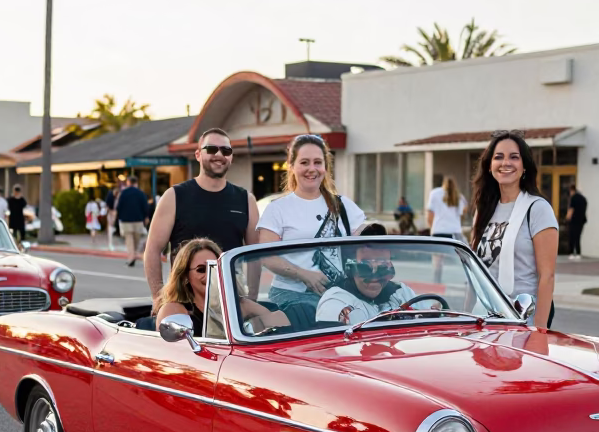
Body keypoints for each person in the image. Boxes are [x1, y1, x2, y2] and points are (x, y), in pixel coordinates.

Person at [145, 129, 259, 303]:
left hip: (230, 301)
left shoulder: (246, 199)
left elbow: (254, 255)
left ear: (231, 157)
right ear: (198, 154)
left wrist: (251, 299)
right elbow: (152, 250)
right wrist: (158, 299)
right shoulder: (174, 196)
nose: (219, 155)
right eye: (212, 149)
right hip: (184, 299)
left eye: (226, 151)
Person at [257, 133, 367, 311]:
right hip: (292, 296)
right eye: (304, 162)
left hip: (341, 295)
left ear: (325, 167)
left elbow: (368, 241)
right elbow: (267, 256)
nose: (312, 168)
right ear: (291, 166)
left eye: (317, 162)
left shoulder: (344, 205)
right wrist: (303, 274)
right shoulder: (277, 208)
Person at [470, 130, 558, 327]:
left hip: (522, 317)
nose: (505, 163)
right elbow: (475, 272)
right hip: (484, 319)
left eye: (514, 157)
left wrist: (540, 331)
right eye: (498, 157)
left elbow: (547, 276)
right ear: (490, 166)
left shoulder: (538, 209)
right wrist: (466, 319)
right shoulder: (483, 210)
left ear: (524, 166)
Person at [155, 237, 288, 336]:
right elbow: (173, 353)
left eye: (215, 268)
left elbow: (281, 325)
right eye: (201, 269)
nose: (210, 275)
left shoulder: (238, 305)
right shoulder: (174, 310)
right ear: (185, 277)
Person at [316, 242, 436, 325]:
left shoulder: (401, 292)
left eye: (383, 268)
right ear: (351, 269)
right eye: (365, 268)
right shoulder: (334, 300)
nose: (374, 278)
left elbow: (429, 320)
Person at [111, 176, 149, 267]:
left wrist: (117, 218)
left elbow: (119, 207)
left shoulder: (123, 193)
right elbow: (145, 206)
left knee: (129, 240)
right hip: (138, 220)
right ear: (136, 183)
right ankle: (134, 254)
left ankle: (131, 257)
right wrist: (146, 217)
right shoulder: (141, 193)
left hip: (126, 221)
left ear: (128, 182)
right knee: (136, 239)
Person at [427, 175, 467, 242]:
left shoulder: (434, 193)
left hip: (438, 232)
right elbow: (462, 213)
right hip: (455, 233)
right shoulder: (459, 196)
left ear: (443, 183)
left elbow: (430, 217)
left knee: (437, 252)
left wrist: (433, 228)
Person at [566, 182, 588, 259]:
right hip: (581, 221)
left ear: (571, 190)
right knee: (578, 237)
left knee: (572, 237)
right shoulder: (583, 199)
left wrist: (567, 218)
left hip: (573, 221)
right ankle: (578, 253)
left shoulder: (573, 198)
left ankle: (571, 253)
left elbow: (571, 210)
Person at [105, 178, 124, 250]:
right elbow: (108, 206)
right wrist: (111, 212)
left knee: (114, 227)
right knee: (110, 227)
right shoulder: (110, 196)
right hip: (111, 212)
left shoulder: (119, 197)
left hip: (116, 213)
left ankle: (114, 234)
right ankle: (110, 243)